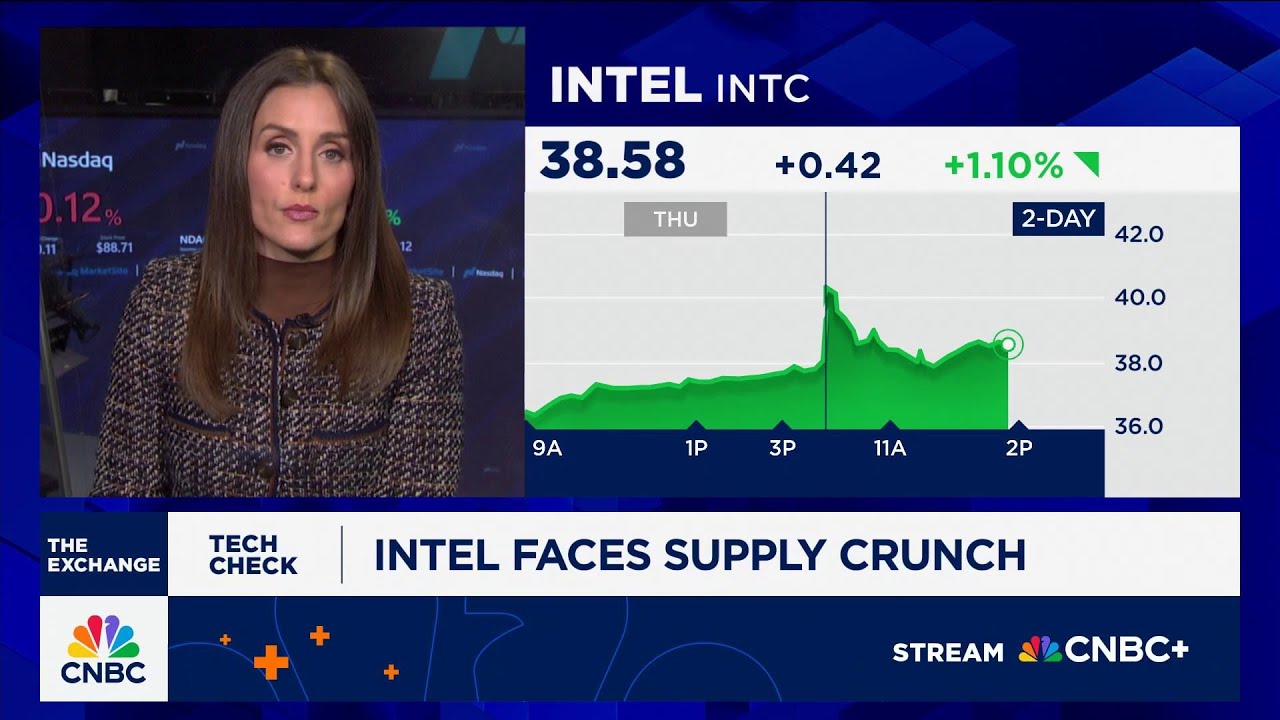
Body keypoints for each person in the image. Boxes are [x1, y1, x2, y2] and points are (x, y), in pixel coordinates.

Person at [91, 47, 463, 497]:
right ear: (239, 162)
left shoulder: (420, 316)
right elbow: (122, 512)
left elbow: (413, 527)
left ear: (358, 175)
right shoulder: (164, 301)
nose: (305, 177)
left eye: (332, 153)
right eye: (279, 147)